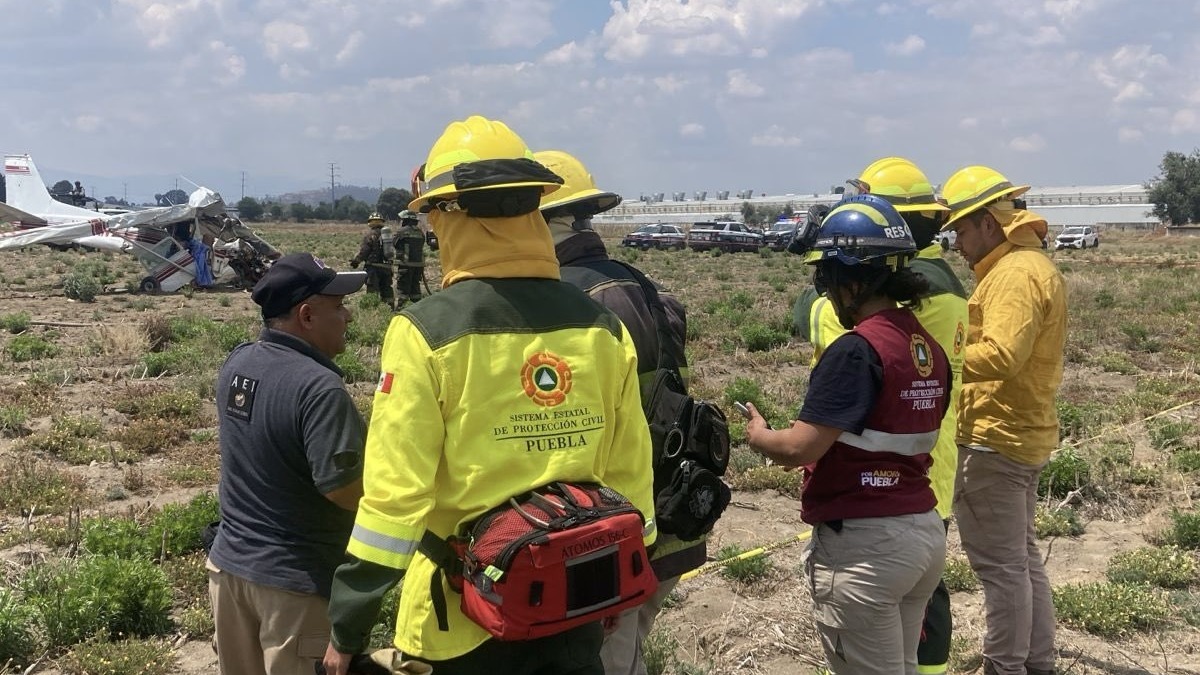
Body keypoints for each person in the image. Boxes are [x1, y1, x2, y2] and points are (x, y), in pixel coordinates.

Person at [322, 115, 657, 675]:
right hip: (575, 608)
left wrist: (347, 626)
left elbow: (393, 501)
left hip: (464, 623)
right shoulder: (601, 327)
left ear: (451, 214)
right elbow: (630, 473)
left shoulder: (422, 332)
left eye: (432, 216)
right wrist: (624, 577)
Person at [746, 195, 949, 675]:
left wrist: (759, 435)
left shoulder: (856, 350)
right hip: (921, 530)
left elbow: (799, 447)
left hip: (867, 547)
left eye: (826, 279)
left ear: (852, 280)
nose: (825, 292)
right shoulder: (925, 346)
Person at [792, 158, 968, 675]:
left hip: (869, 508)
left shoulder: (862, 338)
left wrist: (761, 435)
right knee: (913, 634)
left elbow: (820, 325)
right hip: (924, 480)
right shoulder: (938, 301)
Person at [533, 149, 704, 675]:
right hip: (669, 507)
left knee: (606, 658)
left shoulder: (561, 299)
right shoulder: (637, 282)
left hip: (613, 525)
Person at [207, 252, 368, 675]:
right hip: (293, 587)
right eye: (338, 306)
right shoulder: (320, 388)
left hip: (229, 570)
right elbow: (342, 489)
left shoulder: (238, 362)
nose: (348, 315)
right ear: (308, 315)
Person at [939, 166, 1066, 675]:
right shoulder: (1026, 266)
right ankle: (1037, 662)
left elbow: (1002, 356)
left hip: (996, 438)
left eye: (961, 230)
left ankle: (1005, 666)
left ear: (989, 223)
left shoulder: (1014, 274)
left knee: (1001, 569)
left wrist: (937, 356)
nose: (957, 243)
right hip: (1020, 432)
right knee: (1021, 561)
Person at [350, 212, 394, 308]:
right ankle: (390, 308)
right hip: (386, 268)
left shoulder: (370, 235)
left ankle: (371, 310)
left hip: (373, 268)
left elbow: (365, 250)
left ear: (370, 222)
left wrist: (356, 261)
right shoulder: (387, 235)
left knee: (372, 290)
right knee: (387, 289)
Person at [392, 209, 426, 306]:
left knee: (403, 289)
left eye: (402, 220)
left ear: (406, 220)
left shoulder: (402, 231)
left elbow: (395, 243)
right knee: (415, 289)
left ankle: (401, 309)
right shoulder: (420, 232)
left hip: (405, 265)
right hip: (418, 265)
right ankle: (418, 308)